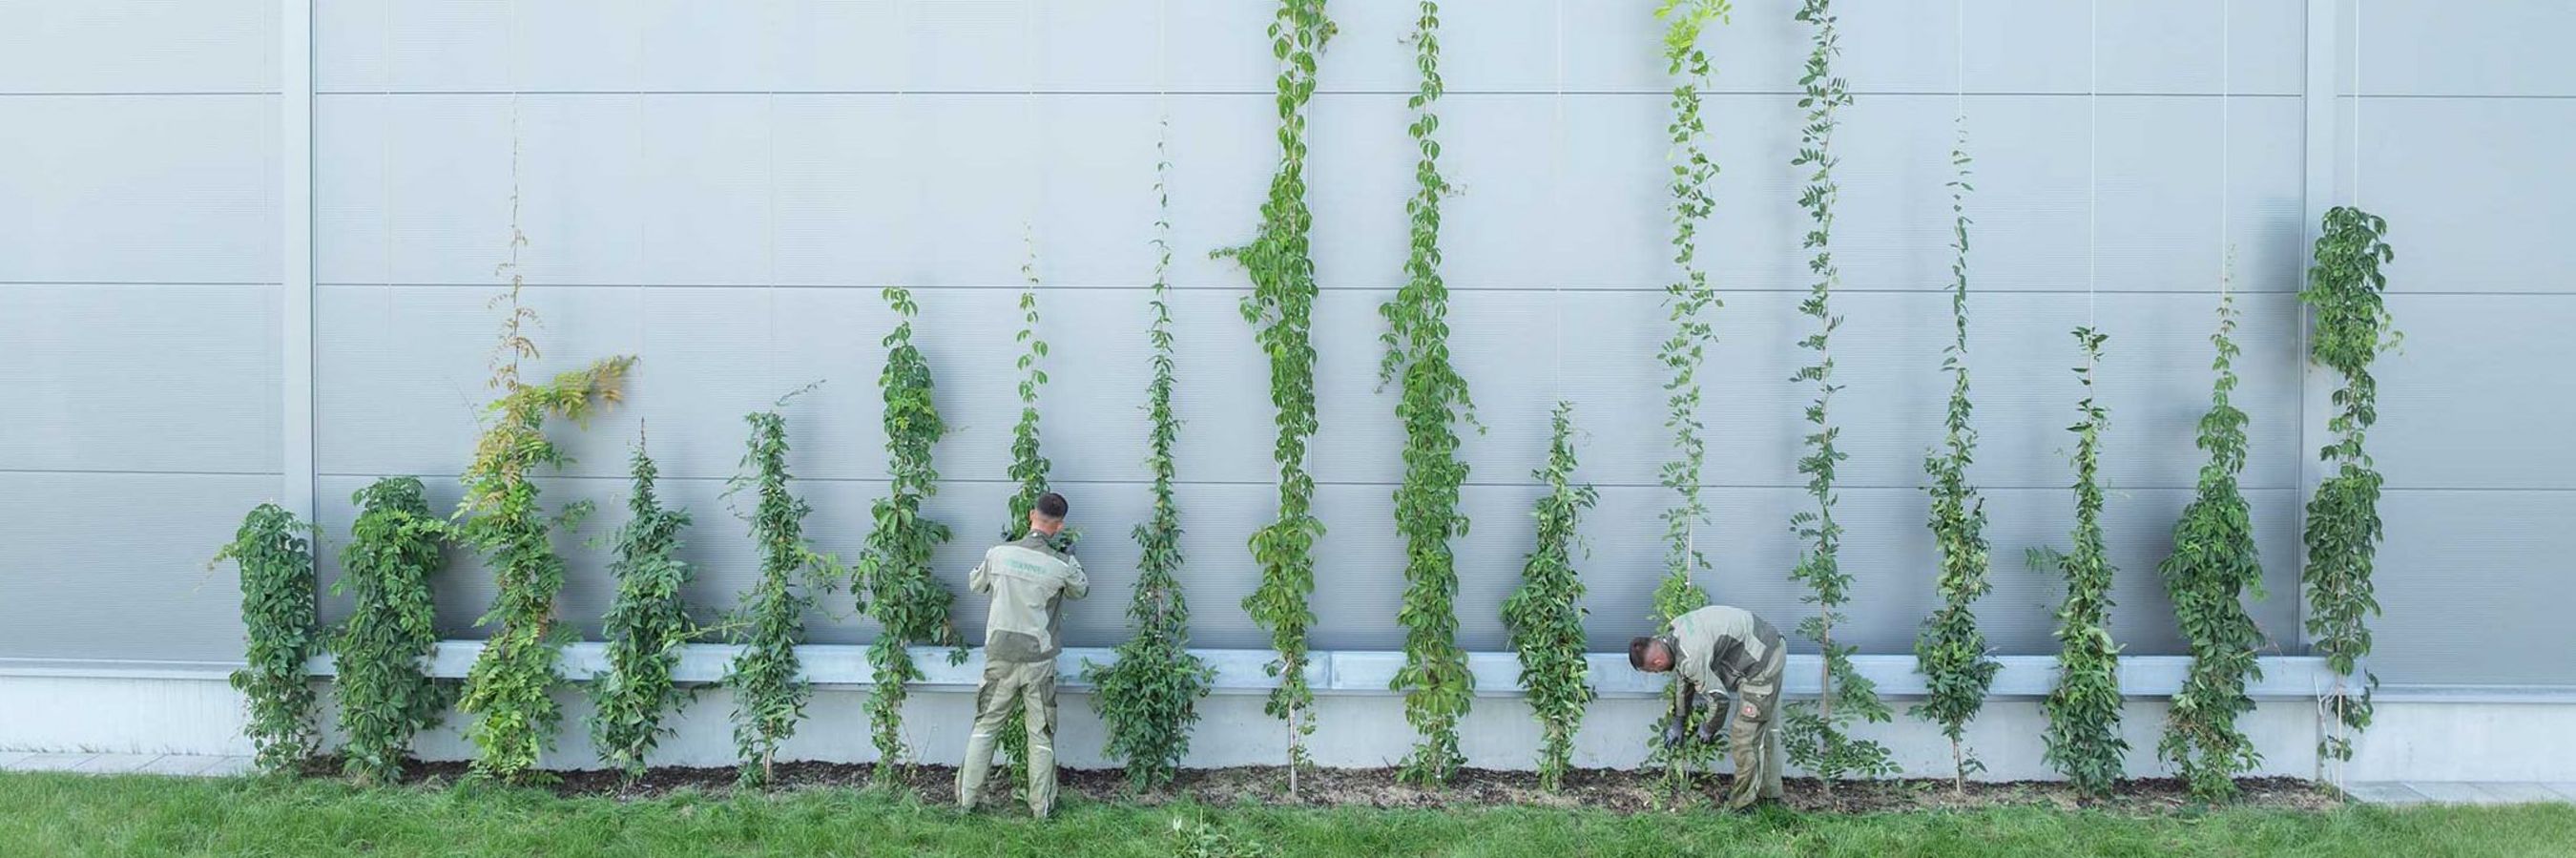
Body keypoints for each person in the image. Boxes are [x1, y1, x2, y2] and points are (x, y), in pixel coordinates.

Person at [956, 492, 1088, 818]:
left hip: (999, 657)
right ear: (1059, 526)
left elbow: (975, 584)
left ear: (1031, 515)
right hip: (1038, 661)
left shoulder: (998, 553)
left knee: (985, 727)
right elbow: (1080, 590)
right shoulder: (1062, 564)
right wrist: (1069, 558)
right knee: (1040, 734)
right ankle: (1041, 809)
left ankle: (966, 803)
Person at [1630, 603, 1787, 810]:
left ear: (1657, 662)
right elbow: (1683, 679)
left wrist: (1708, 728)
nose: (1656, 674)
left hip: (1763, 661)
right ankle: (1769, 793)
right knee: (1762, 730)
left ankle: (1743, 804)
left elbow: (1719, 699)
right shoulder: (1674, 632)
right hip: (1761, 645)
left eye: (1652, 671)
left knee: (1745, 737)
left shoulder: (1691, 656)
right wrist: (1678, 721)